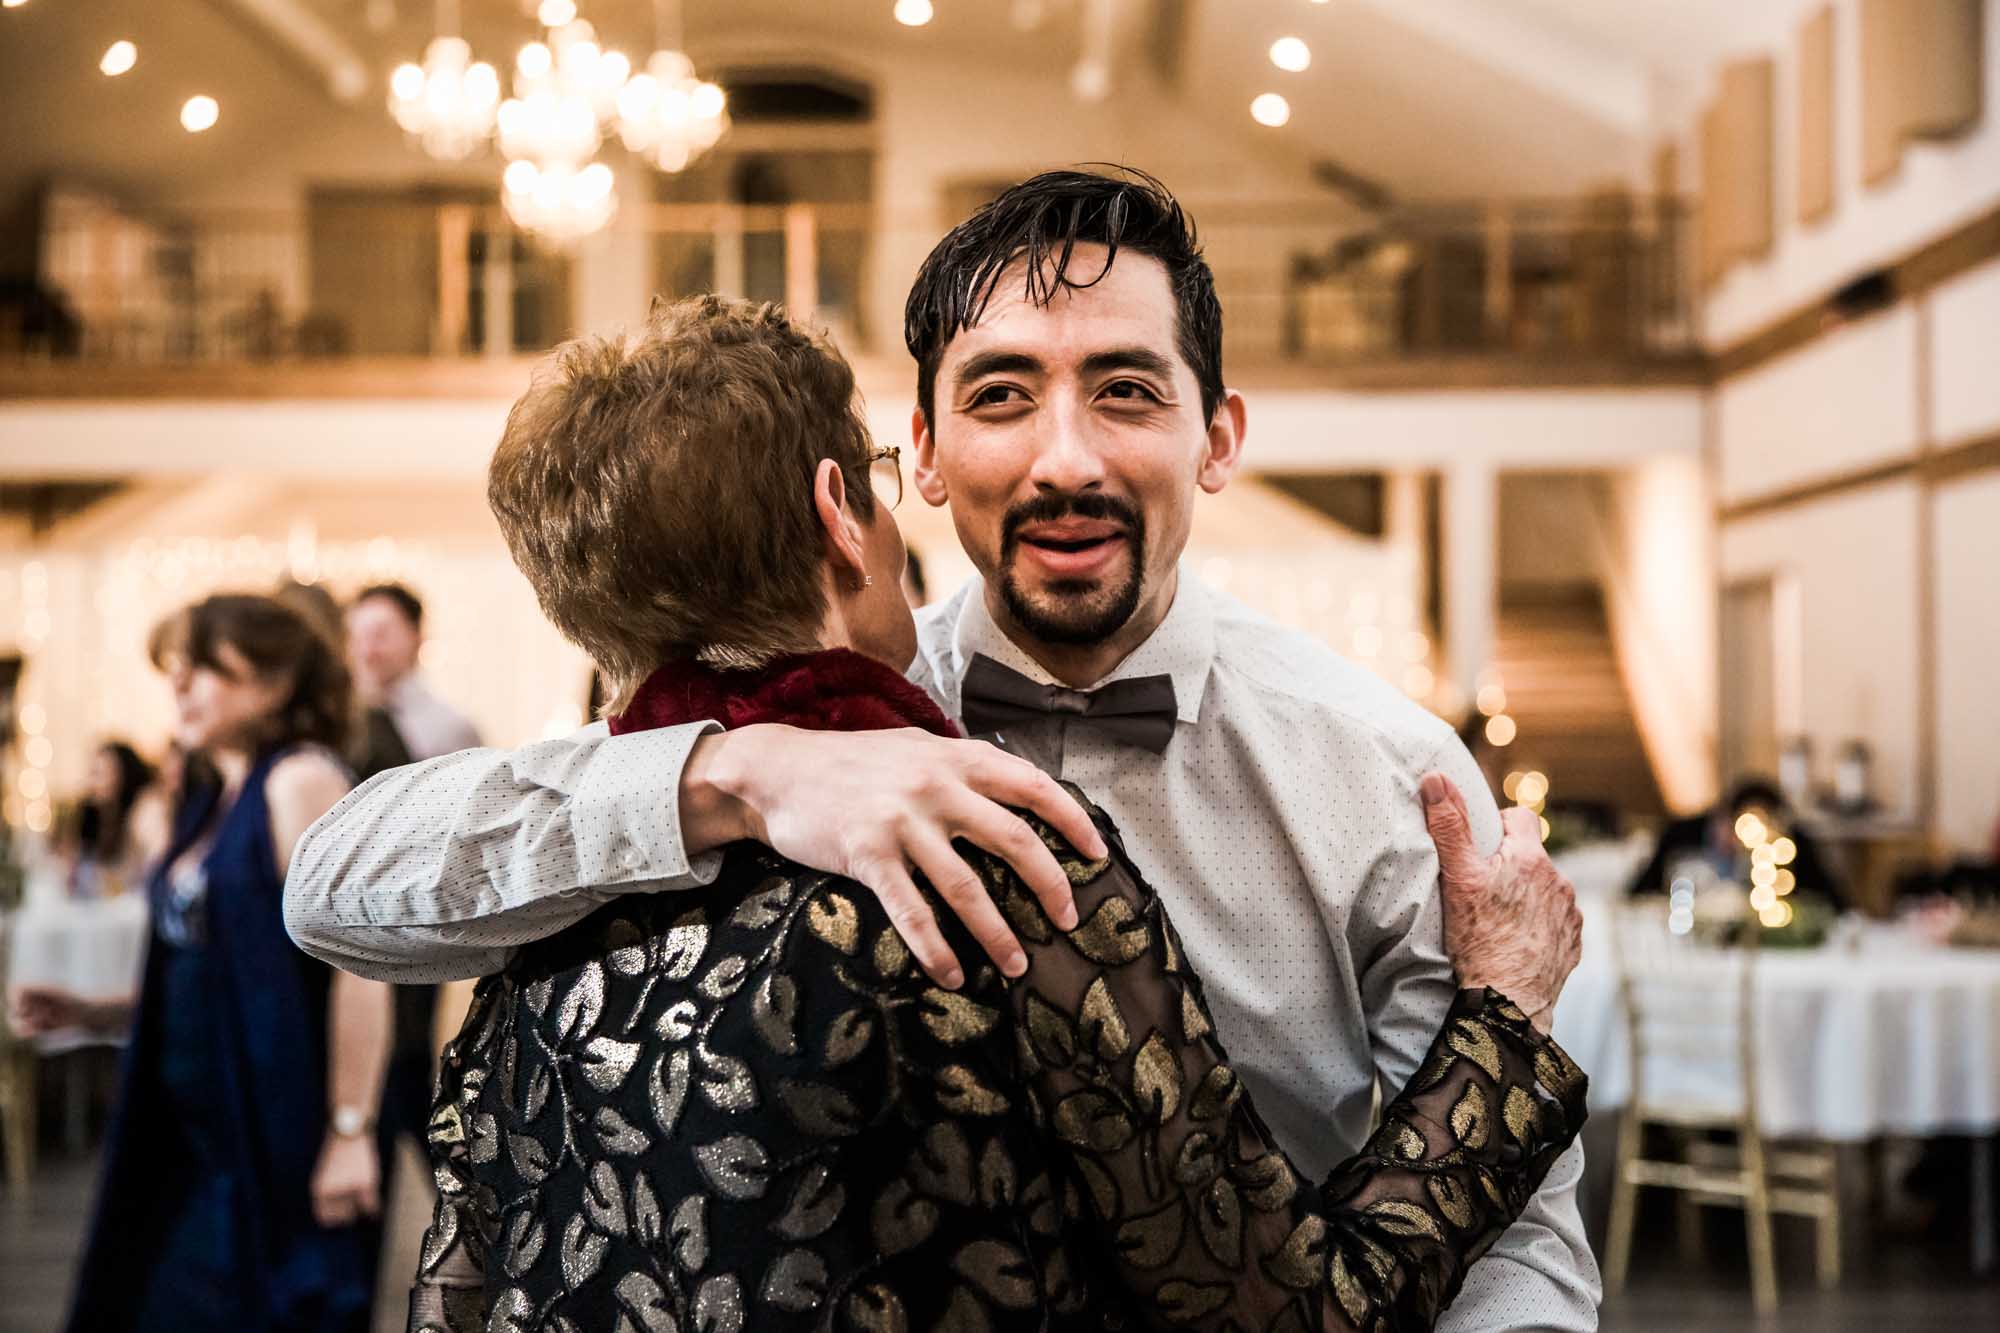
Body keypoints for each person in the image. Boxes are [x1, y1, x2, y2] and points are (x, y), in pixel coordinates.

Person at [288, 169, 1597, 1328]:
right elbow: (334, 882)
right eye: (1003, 395)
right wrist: (744, 776)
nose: (1065, 456)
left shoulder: (1385, 765)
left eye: (1128, 391)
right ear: (915, 455)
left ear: (1219, 437)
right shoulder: (760, 733)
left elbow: (1524, 1241)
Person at [9, 594, 392, 1332]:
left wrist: (351, 1130)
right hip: (188, 1137)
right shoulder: (211, 794)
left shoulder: (300, 781)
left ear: (276, 681)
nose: (178, 688)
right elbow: (211, 972)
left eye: (203, 670)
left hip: (268, 1132)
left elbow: (361, 966)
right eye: (174, 672)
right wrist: (91, 1010)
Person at [1626, 775, 1846, 909]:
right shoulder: (1681, 836)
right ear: (1723, 818)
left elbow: (1834, 903)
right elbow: (1638, 893)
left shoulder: (1790, 845)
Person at [345, 583, 481, 761]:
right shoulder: (342, 720)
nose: (367, 651)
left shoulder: (452, 729)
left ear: (416, 637)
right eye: (358, 637)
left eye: (379, 635)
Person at [70, 739, 157, 895]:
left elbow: (152, 873)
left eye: (99, 774)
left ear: (124, 774)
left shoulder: (146, 809)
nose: (91, 783)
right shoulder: (99, 816)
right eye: (91, 773)